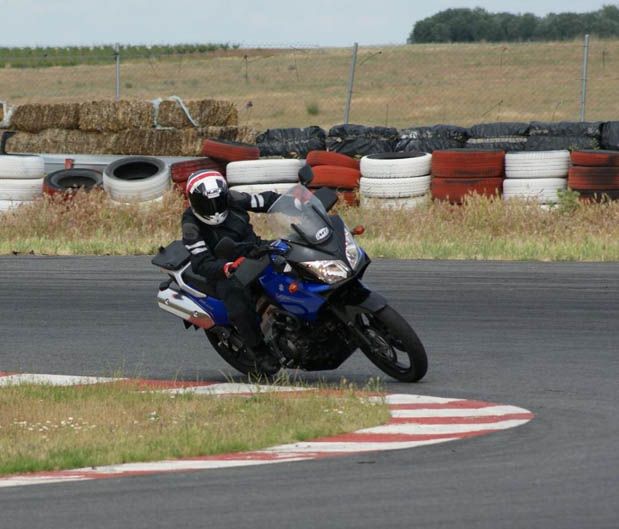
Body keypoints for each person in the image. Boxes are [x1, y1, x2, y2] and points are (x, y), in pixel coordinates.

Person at [182, 170, 281, 373]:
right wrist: (226, 267)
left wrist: (295, 201)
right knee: (235, 295)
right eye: (207, 204)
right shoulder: (191, 224)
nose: (214, 208)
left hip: (254, 249)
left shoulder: (234, 199)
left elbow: (265, 200)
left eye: (218, 201)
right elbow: (201, 262)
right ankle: (259, 350)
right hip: (222, 266)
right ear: (194, 202)